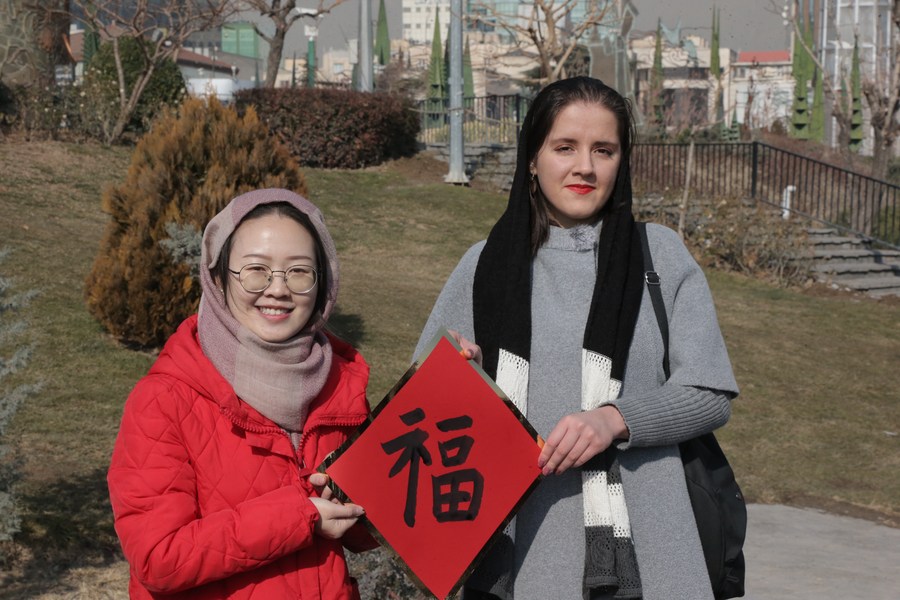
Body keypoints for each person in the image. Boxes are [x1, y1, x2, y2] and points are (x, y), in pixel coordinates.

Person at [414, 77, 739, 600]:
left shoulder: (659, 255)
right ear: (532, 159)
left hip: (653, 553)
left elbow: (709, 393)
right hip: (517, 553)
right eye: (564, 147)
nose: (584, 166)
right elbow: (421, 418)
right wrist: (456, 377)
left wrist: (616, 419)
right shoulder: (483, 267)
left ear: (621, 162)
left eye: (603, 150)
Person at [108, 189, 376, 599]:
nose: (278, 289)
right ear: (218, 278)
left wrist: (456, 388)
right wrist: (299, 516)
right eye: (256, 270)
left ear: (323, 282)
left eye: (298, 271)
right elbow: (158, 558)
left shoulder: (340, 389)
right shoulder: (164, 399)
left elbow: (367, 528)